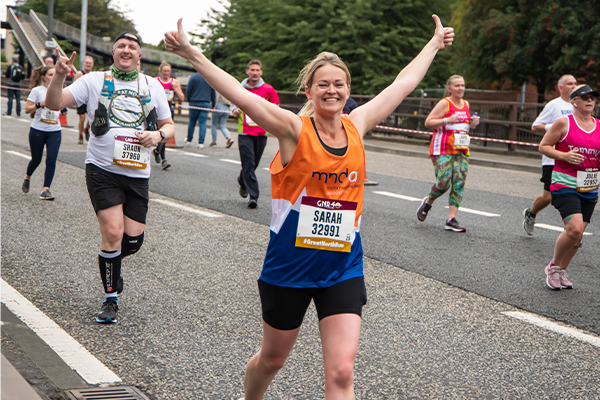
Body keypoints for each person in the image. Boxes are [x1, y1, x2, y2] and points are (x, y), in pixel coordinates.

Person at [165, 15, 453, 399]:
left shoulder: (358, 124)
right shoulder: (293, 130)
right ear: (309, 90)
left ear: (348, 89)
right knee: (272, 360)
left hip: (342, 267)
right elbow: (240, 94)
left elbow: (403, 83)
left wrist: (433, 44)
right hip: (289, 269)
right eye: (323, 85)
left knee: (341, 372)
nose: (331, 90)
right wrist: (191, 53)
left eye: (338, 84)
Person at [45, 32, 175, 323]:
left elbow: (169, 126)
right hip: (102, 170)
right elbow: (55, 103)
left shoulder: (152, 85)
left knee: (133, 241)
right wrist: (60, 76)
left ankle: (112, 264)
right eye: (121, 47)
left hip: (138, 174)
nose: (126, 50)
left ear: (139, 55)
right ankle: (110, 298)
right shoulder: (94, 81)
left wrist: (158, 135)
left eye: (132, 47)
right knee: (113, 233)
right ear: (113, 53)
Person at [539, 85, 599, 290]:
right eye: (585, 98)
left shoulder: (599, 126)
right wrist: (563, 155)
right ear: (574, 101)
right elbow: (543, 146)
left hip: (590, 186)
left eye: (592, 98)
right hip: (565, 183)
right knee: (573, 228)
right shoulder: (564, 123)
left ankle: (561, 269)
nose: (590, 101)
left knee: (579, 232)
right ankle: (553, 267)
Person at [417, 75, 480, 232]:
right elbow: (428, 122)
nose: (461, 88)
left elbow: (463, 124)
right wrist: (446, 120)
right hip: (442, 149)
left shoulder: (466, 104)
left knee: (459, 182)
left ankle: (451, 219)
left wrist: (472, 124)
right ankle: (428, 202)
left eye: (463, 85)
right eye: (457, 85)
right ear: (449, 88)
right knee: (443, 182)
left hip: (461, 149)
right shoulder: (444, 103)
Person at [523, 75, 577, 235]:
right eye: (570, 83)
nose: (574, 86)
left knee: (575, 193)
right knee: (548, 197)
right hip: (553, 158)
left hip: (573, 157)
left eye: (575, 83)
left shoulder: (578, 105)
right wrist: (555, 127)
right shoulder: (554, 105)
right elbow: (535, 126)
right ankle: (531, 214)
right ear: (561, 88)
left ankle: (573, 229)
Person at [231, 60, 280, 209]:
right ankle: (254, 196)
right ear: (247, 72)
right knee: (248, 163)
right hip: (245, 131)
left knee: (254, 164)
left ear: (261, 72)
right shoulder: (240, 88)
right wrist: (234, 109)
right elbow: (233, 101)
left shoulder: (268, 89)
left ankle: (242, 179)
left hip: (261, 131)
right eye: (252, 70)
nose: (255, 72)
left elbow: (275, 105)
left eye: (257, 70)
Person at [21, 65, 61, 200]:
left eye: (55, 74)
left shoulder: (61, 90)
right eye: (50, 74)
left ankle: (46, 189)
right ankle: (27, 177)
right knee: (36, 159)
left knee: (51, 160)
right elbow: (27, 110)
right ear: (43, 77)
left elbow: (63, 105)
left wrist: (64, 109)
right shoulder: (37, 91)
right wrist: (40, 104)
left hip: (55, 131)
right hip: (38, 130)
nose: (53, 77)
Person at [154, 61, 185, 169]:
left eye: (168, 71)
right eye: (164, 71)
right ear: (160, 71)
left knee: (166, 133)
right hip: (158, 110)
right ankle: (163, 159)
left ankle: (158, 151)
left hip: (169, 110)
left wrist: (175, 89)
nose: (166, 73)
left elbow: (182, 98)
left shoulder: (174, 82)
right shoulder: (155, 81)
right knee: (161, 132)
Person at [185, 72, 215, 148]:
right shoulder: (209, 78)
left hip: (194, 102)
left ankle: (189, 140)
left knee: (192, 121)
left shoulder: (193, 77)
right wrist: (213, 104)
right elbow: (213, 92)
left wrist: (189, 100)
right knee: (203, 122)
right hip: (206, 102)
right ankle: (201, 142)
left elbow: (188, 90)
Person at [74, 56, 95, 144]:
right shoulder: (79, 73)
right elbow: (74, 86)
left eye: (90, 63)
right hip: (82, 99)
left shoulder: (94, 74)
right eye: (87, 63)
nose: (88, 65)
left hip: (91, 99)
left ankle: (87, 129)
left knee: (91, 119)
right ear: (84, 63)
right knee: (82, 118)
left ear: (92, 65)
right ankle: (80, 135)